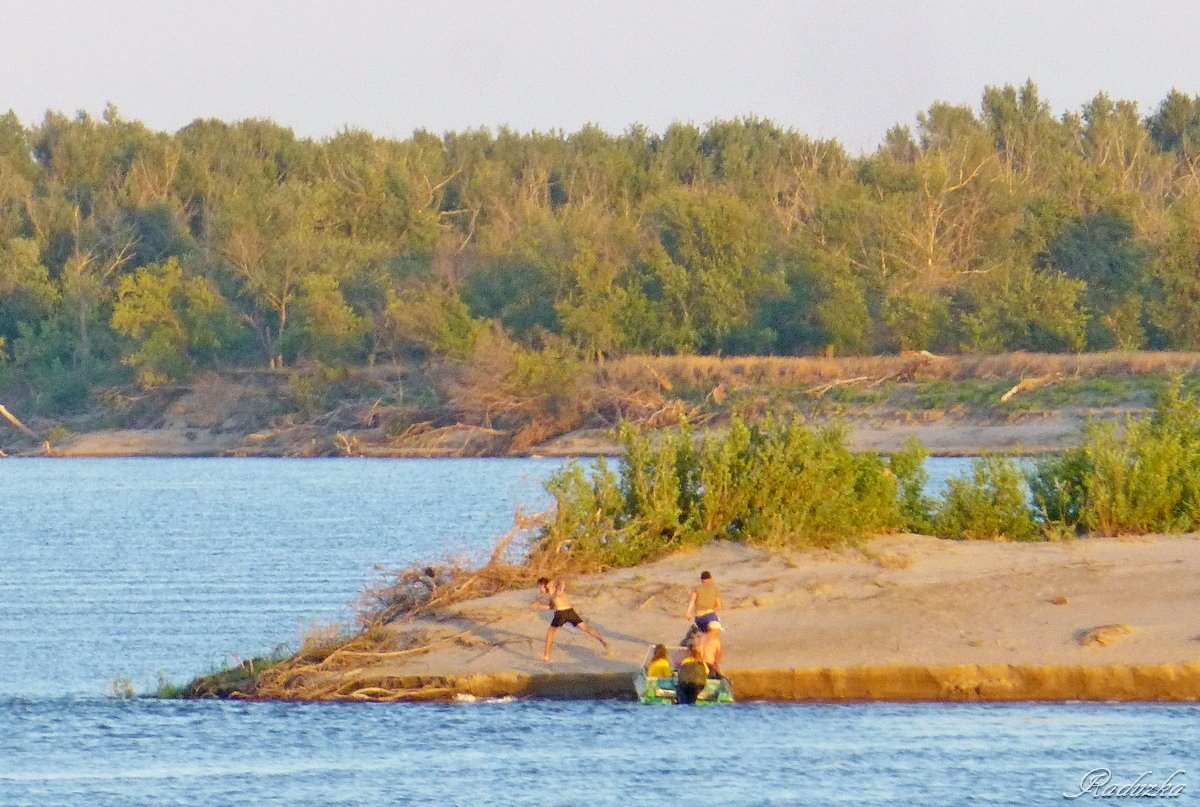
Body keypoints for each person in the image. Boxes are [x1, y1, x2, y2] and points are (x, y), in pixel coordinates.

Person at [532, 577, 608, 662]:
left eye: (539, 587)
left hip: (561, 612)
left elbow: (560, 579)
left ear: (543, 584)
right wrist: (539, 606)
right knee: (585, 628)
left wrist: (561, 588)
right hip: (570, 611)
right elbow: (551, 607)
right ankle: (603, 641)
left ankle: (546, 656)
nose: (539, 590)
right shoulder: (552, 593)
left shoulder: (550, 585)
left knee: (550, 632)